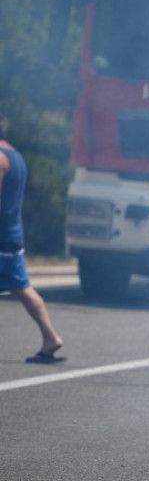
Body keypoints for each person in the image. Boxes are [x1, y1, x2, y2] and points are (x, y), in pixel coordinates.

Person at [0, 121, 64, 363]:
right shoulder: (15, 156)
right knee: (23, 288)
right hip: (12, 237)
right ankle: (51, 338)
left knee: (23, 288)